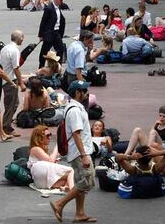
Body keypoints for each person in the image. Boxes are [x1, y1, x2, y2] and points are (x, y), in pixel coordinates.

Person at [51, 80, 96, 223]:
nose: (87, 93)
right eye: (84, 90)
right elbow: (76, 134)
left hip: (78, 151)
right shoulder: (75, 110)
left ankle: (80, 213)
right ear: (77, 93)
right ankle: (59, 203)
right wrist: (84, 155)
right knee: (87, 181)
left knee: (80, 181)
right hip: (79, 152)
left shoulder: (74, 107)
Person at [28, 125, 74, 191]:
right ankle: (72, 190)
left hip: (40, 181)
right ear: (39, 137)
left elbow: (50, 160)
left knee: (67, 179)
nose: (50, 137)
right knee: (71, 170)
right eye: (47, 135)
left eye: (50, 134)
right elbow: (50, 160)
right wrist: (58, 144)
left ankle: (66, 187)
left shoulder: (39, 149)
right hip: (41, 172)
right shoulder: (35, 148)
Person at [0, 30, 26, 137]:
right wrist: (21, 83)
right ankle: (6, 127)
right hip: (10, 80)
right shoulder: (15, 51)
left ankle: (7, 124)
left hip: (4, 79)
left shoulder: (5, 48)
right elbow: (16, 68)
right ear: (19, 39)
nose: (23, 39)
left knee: (13, 103)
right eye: (22, 37)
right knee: (11, 104)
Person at [38, 0, 66, 68]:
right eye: (61, 0)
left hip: (56, 33)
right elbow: (43, 21)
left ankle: (58, 67)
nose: (62, 2)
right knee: (44, 51)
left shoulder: (58, 7)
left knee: (60, 49)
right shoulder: (49, 8)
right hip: (49, 33)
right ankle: (41, 66)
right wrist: (41, 35)